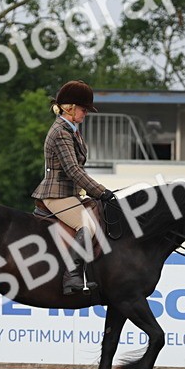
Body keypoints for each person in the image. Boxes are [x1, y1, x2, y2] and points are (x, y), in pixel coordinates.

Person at [32, 80, 116, 294]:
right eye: (83, 109)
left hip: (70, 193)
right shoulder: (61, 132)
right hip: (56, 194)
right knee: (87, 225)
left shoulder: (72, 130)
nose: (86, 113)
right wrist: (100, 191)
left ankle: (89, 272)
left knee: (100, 216)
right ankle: (72, 276)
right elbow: (73, 170)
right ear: (69, 107)